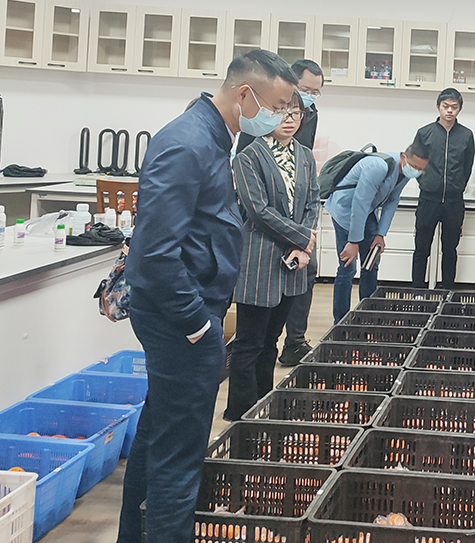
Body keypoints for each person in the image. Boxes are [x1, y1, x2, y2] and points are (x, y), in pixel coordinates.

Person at [118, 50, 297, 543]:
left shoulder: (214, 139)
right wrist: (198, 322)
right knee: (179, 459)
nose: (280, 118)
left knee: (159, 438)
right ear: (245, 94)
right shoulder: (188, 143)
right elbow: (155, 256)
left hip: (190, 316)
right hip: (180, 323)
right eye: (276, 107)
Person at [224, 91, 319, 421]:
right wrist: (302, 238)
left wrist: (303, 245)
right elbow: (258, 211)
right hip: (259, 260)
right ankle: (239, 414)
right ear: (266, 115)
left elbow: (312, 203)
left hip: (293, 264)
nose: (289, 119)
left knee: (271, 342)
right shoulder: (248, 157)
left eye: (296, 113)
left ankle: (262, 410)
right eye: (282, 112)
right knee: (248, 344)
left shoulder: (305, 155)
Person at [325, 140, 429, 322]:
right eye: (414, 167)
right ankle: (340, 321)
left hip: (367, 212)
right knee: (348, 266)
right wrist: (353, 241)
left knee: (371, 262)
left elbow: (392, 200)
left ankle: (368, 317)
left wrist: (381, 234)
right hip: (345, 210)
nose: (416, 172)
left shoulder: (404, 173)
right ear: (403, 157)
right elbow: (360, 202)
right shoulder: (378, 167)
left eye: (421, 170)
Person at [276, 60, 324, 366]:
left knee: (307, 268)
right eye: (306, 89)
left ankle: (294, 341)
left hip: (299, 208)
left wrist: (305, 232)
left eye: (316, 92)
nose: (310, 98)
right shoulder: (269, 108)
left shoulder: (311, 114)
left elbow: (304, 164)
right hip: (270, 209)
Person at [411, 88, 475, 289]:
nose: (449, 110)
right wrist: (426, 183)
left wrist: (458, 186)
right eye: (445, 106)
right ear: (438, 107)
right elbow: (414, 163)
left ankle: (447, 290)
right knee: (421, 249)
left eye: (454, 107)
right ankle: (418, 291)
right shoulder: (424, 133)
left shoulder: (466, 135)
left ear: (460, 109)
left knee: (450, 250)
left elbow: (467, 166)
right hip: (428, 199)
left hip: (454, 202)